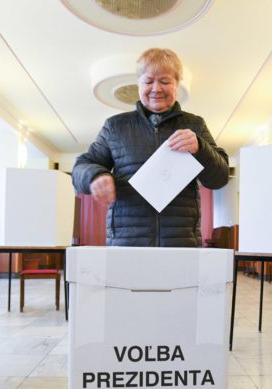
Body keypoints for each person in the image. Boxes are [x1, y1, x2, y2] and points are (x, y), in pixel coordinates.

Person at [72, 48, 229, 247]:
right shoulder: (115, 126)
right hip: (127, 242)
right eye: (148, 81)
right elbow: (81, 167)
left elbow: (220, 178)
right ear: (138, 83)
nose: (156, 89)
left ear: (177, 84)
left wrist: (201, 148)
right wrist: (95, 176)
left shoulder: (195, 125)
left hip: (181, 243)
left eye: (165, 81)